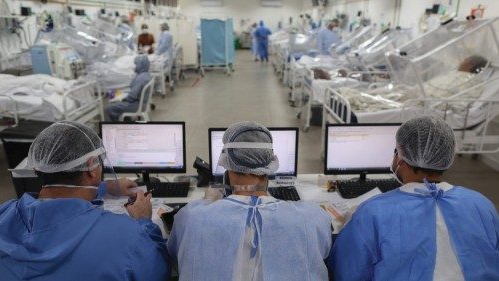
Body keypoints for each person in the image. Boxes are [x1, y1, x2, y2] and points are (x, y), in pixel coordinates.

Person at [332, 116, 499, 281]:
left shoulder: (372, 212)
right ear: (447, 157)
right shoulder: (482, 205)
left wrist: (353, 221)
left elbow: (346, 271)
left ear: (401, 159)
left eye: (395, 151)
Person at [0, 121, 170, 281]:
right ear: (92, 167)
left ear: (40, 166)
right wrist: (144, 222)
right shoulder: (130, 237)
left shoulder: (4, 213)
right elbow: (158, 272)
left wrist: (105, 187)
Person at [167, 121, 334, 280]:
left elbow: (175, 254)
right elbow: (325, 251)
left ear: (228, 167)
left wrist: (206, 202)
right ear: (269, 167)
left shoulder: (192, 217)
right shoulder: (312, 217)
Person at [106, 55, 152, 121]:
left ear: (140, 65)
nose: (134, 66)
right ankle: (127, 120)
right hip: (142, 103)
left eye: (136, 64)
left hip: (136, 105)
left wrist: (122, 99)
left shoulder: (140, 79)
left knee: (110, 108)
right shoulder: (146, 74)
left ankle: (117, 126)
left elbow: (132, 96)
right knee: (115, 96)